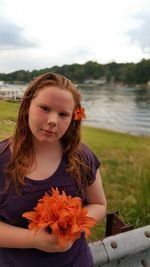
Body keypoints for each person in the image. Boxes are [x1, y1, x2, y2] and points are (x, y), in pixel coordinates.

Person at [0, 72, 107, 267]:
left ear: (74, 118)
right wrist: (33, 239)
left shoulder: (82, 158)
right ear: (26, 107)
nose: (52, 120)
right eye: (45, 108)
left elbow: (98, 204)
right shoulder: (2, 160)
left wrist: (73, 224)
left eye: (63, 114)